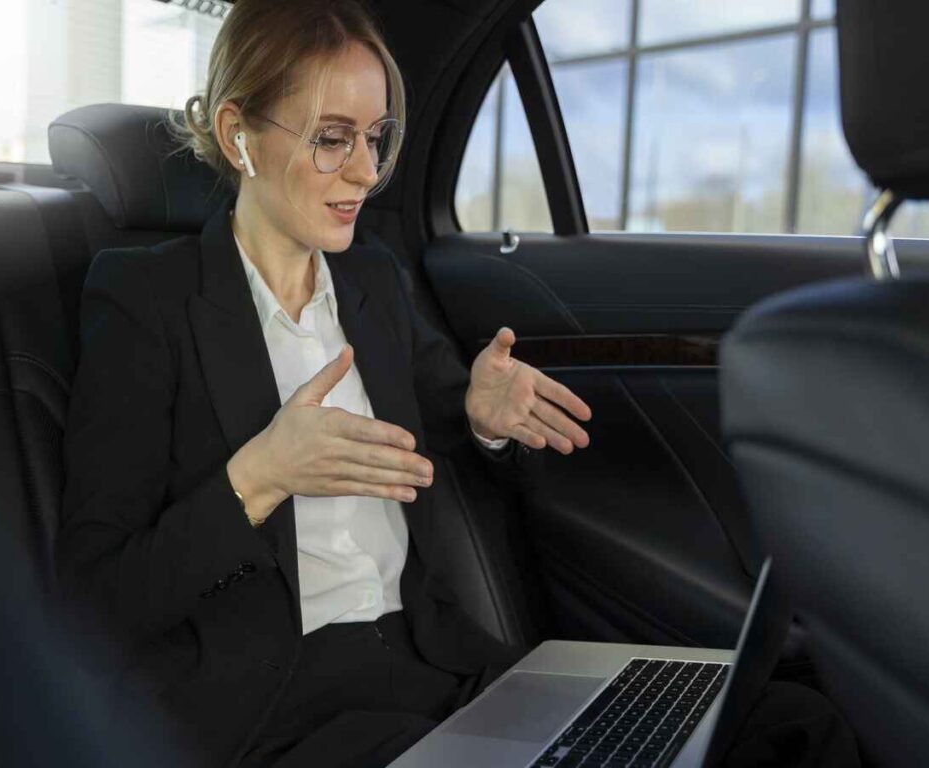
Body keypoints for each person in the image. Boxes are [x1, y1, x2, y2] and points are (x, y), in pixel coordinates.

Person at [56, 1, 592, 767]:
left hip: (437, 664)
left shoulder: (375, 281)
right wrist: (261, 476)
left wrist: (484, 420)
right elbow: (94, 603)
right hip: (281, 708)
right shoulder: (147, 300)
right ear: (238, 135)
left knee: (730, 722)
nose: (366, 173)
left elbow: (452, 432)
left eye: (376, 138)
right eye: (332, 139)